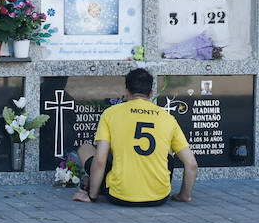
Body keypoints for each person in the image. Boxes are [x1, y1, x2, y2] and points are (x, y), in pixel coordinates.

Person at [72, 68, 198, 206]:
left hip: (119, 196)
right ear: (151, 94)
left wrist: (92, 196)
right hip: (158, 198)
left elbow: (100, 160)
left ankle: (98, 186)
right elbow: (191, 163)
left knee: (85, 149)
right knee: (168, 154)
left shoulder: (110, 114)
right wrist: (184, 196)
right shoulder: (167, 118)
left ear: (126, 92)